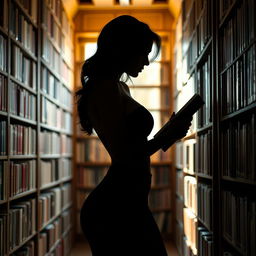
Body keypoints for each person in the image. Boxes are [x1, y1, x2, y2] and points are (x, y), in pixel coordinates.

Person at [76, 15, 192, 256]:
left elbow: (133, 144)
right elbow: (125, 154)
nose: (147, 63)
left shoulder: (120, 87)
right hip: (115, 206)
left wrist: (169, 133)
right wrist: (163, 138)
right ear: (123, 50)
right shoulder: (104, 88)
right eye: (143, 53)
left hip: (131, 201)